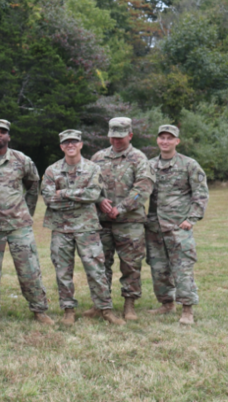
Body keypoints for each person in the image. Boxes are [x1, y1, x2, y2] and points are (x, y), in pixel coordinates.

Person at [41, 129, 125, 326]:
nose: (70, 145)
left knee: (96, 269)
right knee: (63, 272)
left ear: (80, 144)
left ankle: (105, 308)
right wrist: (79, 197)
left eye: (74, 142)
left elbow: (92, 195)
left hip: (87, 228)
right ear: (62, 146)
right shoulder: (51, 171)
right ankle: (68, 310)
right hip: (61, 229)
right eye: (66, 143)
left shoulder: (93, 169)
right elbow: (49, 200)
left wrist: (63, 193)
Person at [0, 119, 54, 326]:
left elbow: (32, 184)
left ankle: (39, 309)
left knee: (29, 269)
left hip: (19, 225)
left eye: (3, 132)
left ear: (9, 136)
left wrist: (26, 211)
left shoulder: (21, 160)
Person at [88, 117, 155, 321]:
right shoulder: (98, 158)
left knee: (131, 264)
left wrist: (122, 208)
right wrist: (99, 200)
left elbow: (142, 188)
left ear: (130, 135)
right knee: (100, 263)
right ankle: (101, 304)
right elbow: (90, 184)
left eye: (121, 137)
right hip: (103, 222)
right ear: (109, 136)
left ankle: (129, 304)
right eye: (113, 137)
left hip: (130, 222)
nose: (117, 141)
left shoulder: (139, 159)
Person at [145, 124, 209, 325]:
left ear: (177, 141)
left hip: (178, 227)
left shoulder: (188, 164)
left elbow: (201, 193)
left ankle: (187, 310)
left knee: (182, 269)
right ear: (157, 140)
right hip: (155, 228)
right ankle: (166, 303)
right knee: (159, 269)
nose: (165, 141)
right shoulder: (150, 165)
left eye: (169, 138)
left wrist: (191, 219)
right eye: (162, 137)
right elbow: (141, 190)